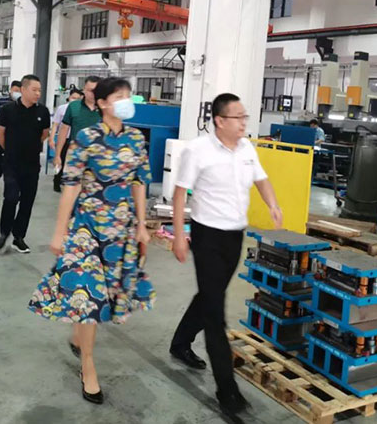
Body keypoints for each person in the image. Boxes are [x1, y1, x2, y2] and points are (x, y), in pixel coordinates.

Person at [29, 77, 155, 404]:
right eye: (119, 96)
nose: (126, 101)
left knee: (108, 294)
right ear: (101, 103)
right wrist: (59, 231)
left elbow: (140, 182)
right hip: (88, 227)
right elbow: (71, 186)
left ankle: (78, 334)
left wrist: (142, 225)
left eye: (128, 95)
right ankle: (87, 365)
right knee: (89, 296)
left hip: (121, 228)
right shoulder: (86, 138)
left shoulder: (136, 138)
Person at [170, 93, 282, 419]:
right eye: (238, 117)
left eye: (245, 116)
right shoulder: (198, 150)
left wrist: (272, 204)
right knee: (215, 315)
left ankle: (180, 342)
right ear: (220, 121)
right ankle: (227, 391)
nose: (244, 122)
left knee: (210, 295)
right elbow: (179, 193)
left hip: (234, 236)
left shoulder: (247, 149)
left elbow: (261, 179)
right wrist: (178, 236)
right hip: (207, 236)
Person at [0, 75, 51, 255]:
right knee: (11, 197)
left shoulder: (43, 112)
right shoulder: (7, 110)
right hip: (11, 163)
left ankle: (18, 237)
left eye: (39, 90)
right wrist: (11, 149)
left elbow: (44, 134)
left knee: (27, 201)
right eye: (34, 90)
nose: (38, 93)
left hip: (32, 165)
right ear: (24, 90)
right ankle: (4, 233)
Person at [53, 76, 101, 190]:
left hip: (98, 157)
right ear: (84, 89)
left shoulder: (105, 108)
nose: (92, 94)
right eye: (89, 90)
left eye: (95, 90)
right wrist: (58, 155)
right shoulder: (74, 106)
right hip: (75, 157)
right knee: (72, 189)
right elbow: (63, 130)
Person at [50, 87, 83, 192]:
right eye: (73, 97)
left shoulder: (81, 110)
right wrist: (52, 138)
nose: (75, 100)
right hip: (63, 139)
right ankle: (57, 181)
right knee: (61, 160)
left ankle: (69, 183)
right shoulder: (62, 108)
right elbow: (55, 124)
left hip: (74, 140)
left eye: (78, 98)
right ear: (69, 97)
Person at [0, 80, 22, 188]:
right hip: (1, 135)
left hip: (16, 138)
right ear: (10, 90)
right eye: (16, 90)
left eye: (20, 91)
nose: (18, 93)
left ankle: (10, 181)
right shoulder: (0, 101)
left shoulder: (24, 104)